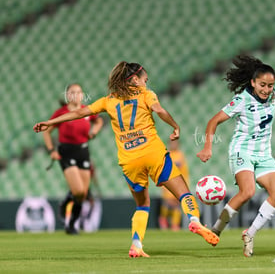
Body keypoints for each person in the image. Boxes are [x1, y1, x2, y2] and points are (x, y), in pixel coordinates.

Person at [34, 62, 219, 257]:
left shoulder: (109, 100)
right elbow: (160, 110)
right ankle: (195, 221)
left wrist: (50, 122)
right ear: (134, 80)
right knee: (183, 193)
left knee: (142, 205)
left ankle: (137, 244)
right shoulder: (146, 95)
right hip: (153, 152)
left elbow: (80, 112)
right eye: (144, 80)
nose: (146, 84)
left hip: (129, 160)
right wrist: (175, 126)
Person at [197, 54, 275, 257]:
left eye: (270, 85)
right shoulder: (242, 100)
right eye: (263, 85)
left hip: (264, 155)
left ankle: (250, 234)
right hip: (242, 151)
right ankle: (215, 230)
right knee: (247, 192)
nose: (267, 90)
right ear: (253, 82)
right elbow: (213, 121)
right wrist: (207, 147)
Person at [42, 83, 103, 235]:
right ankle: (66, 203)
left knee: (82, 194)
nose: (76, 95)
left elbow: (99, 120)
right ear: (68, 96)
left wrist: (94, 132)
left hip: (83, 151)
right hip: (66, 152)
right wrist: (51, 150)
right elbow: (46, 131)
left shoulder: (87, 111)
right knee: (78, 190)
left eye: (79, 92)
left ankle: (71, 224)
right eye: (73, 92)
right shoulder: (61, 113)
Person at [158, 139, 190, 231]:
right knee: (167, 203)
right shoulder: (167, 155)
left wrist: (185, 184)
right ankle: (163, 220)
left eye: (175, 143)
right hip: (168, 182)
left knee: (176, 204)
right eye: (172, 143)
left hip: (178, 183)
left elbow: (184, 171)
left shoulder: (180, 155)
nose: (174, 145)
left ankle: (175, 224)